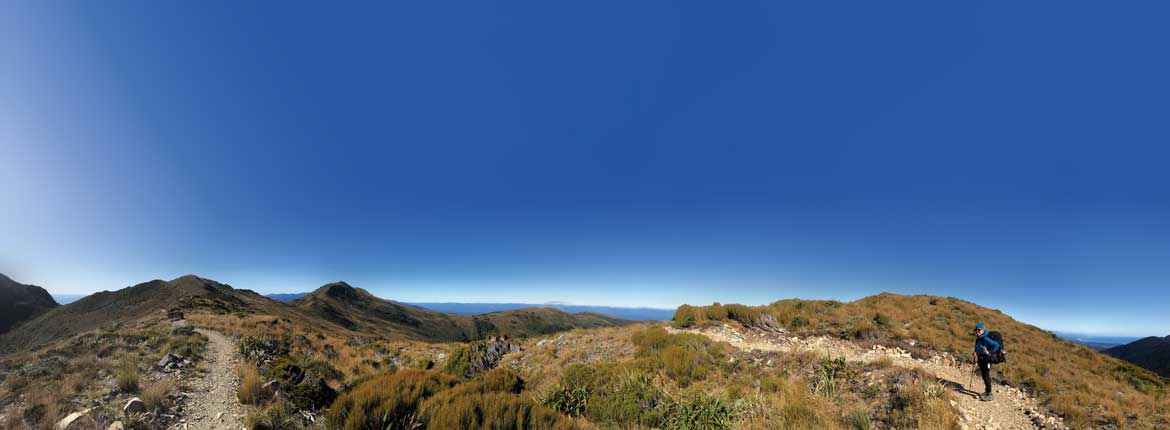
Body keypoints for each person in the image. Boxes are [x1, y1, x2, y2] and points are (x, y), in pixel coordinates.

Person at [972, 322, 1000, 401]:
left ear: (983, 330)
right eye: (976, 330)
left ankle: (989, 394)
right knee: (984, 375)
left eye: (979, 330)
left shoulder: (985, 338)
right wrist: (975, 352)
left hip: (986, 359)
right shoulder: (979, 338)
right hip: (981, 358)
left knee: (986, 375)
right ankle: (987, 392)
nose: (977, 331)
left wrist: (989, 352)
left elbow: (997, 345)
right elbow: (978, 347)